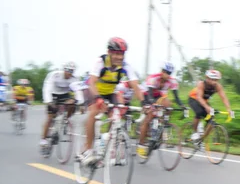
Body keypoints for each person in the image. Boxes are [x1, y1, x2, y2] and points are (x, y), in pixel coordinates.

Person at [78, 37, 145, 166]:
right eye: (116, 53)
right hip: (93, 89)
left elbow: (136, 86)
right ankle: (88, 149)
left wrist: (144, 103)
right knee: (94, 111)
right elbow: (92, 82)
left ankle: (103, 142)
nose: (119, 57)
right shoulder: (100, 62)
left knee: (115, 116)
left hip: (110, 93)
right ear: (109, 52)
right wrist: (97, 97)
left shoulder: (125, 66)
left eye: (121, 54)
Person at [136, 62, 186, 159]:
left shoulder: (172, 82)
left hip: (158, 95)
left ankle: (161, 127)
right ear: (162, 71)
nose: (168, 75)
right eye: (166, 72)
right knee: (150, 115)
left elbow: (176, 97)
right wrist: (152, 105)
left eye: (169, 73)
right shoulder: (153, 78)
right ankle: (141, 144)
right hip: (146, 94)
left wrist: (182, 106)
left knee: (168, 105)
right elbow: (150, 94)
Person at [188, 69, 234, 140]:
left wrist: (228, 109)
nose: (214, 82)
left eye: (216, 80)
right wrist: (206, 107)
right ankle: (194, 132)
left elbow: (224, 97)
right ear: (207, 78)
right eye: (212, 79)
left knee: (212, 119)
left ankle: (201, 140)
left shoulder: (218, 86)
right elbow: (199, 98)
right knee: (199, 112)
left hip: (204, 101)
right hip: (194, 98)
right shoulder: (201, 84)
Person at [40, 62, 78, 148]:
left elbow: (78, 91)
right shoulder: (55, 75)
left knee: (73, 105)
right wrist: (49, 102)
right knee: (50, 118)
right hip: (53, 94)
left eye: (72, 71)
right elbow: (47, 88)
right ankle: (43, 139)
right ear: (64, 70)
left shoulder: (75, 79)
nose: (69, 73)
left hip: (65, 95)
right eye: (68, 70)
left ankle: (65, 120)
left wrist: (76, 100)